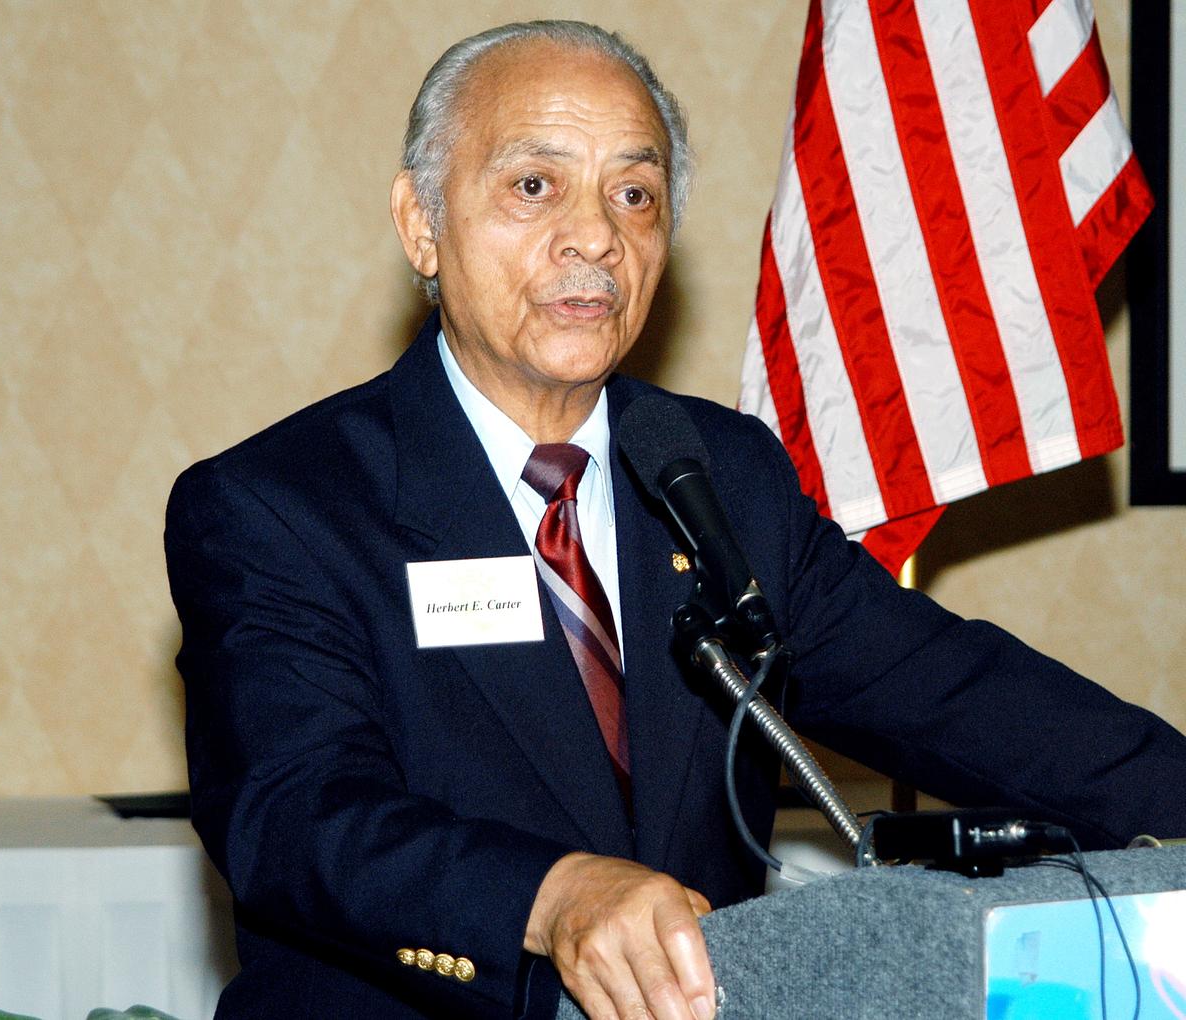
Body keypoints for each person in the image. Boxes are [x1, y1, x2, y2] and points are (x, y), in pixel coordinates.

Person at [164, 20, 1186, 1020]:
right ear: (420, 223)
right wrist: (551, 896)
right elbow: (294, 814)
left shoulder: (713, 473)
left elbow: (959, 696)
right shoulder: (278, 506)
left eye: (634, 193)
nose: (595, 236)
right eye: (534, 186)